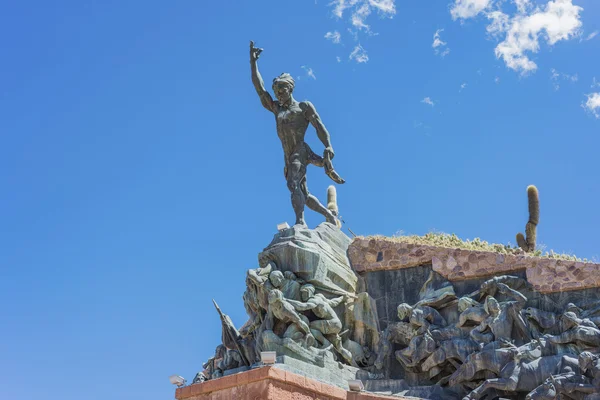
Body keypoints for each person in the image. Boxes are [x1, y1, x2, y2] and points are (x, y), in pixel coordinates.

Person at [250, 41, 343, 226]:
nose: (278, 93)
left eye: (281, 89)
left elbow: (319, 127)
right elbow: (260, 89)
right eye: (276, 90)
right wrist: (253, 63)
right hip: (288, 154)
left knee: (292, 184)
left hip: (300, 150)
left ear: (290, 88)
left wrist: (328, 145)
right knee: (303, 192)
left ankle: (300, 222)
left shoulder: (303, 107)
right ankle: (330, 216)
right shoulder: (276, 108)